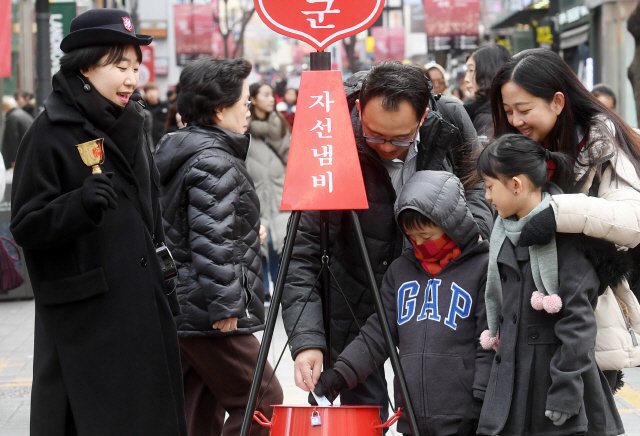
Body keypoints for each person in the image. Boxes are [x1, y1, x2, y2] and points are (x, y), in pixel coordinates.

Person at [281, 61, 493, 423]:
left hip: (436, 299)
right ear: (359, 109)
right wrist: (308, 340)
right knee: (363, 417)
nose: (386, 148)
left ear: (423, 117)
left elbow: (479, 190)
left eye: (400, 139)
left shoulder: (451, 120)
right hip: (354, 300)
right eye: (374, 135)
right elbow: (301, 253)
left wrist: (469, 238)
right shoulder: (330, 134)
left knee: (437, 413)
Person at [9, 8, 187, 435]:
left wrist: (167, 282)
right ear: (85, 66)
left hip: (143, 307)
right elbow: (25, 225)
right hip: (87, 325)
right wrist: (78, 205)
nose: (132, 78)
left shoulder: (132, 123)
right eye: (120, 66)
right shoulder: (49, 132)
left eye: (136, 67)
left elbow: (150, 215)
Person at [154, 57, 283, 436]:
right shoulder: (214, 160)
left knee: (197, 409)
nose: (248, 110)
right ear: (218, 107)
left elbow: (192, 226)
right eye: (244, 102)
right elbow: (210, 238)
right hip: (209, 308)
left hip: (185, 303)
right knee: (263, 401)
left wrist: (247, 232)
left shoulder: (182, 148)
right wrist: (227, 304)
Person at [310, 170, 493, 436]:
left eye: (427, 237)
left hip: (465, 420)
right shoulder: (400, 272)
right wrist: (339, 375)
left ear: (453, 225)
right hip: (411, 420)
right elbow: (377, 334)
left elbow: (488, 343)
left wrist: (481, 402)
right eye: (412, 238)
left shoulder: (482, 269)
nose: (419, 245)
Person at [476, 134, 625, 436]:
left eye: (490, 186)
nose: (487, 197)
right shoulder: (502, 234)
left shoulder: (565, 239)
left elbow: (578, 325)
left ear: (516, 185)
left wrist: (566, 391)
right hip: (513, 390)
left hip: (556, 391)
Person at [490, 48, 640, 340]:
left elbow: (632, 220)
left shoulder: (602, 142)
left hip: (587, 320)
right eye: (508, 111)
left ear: (557, 102)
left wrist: (556, 212)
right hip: (526, 319)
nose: (515, 120)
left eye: (524, 109)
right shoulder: (514, 149)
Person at [246, 82, 292, 303]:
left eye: (270, 95)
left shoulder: (279, 124)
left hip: (279, 188)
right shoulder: (243, 126)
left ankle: (278, 285)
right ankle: (263, 288)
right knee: (261, 241)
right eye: (264, 95)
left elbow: (290, 155)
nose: (271, 99)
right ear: (252, 99)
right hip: (257, 189)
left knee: (279, 242)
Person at [464, 44, 511, 139]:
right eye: (467, 71)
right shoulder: (490, 110)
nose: (466, 79)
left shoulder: (488, 119)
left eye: (471, 70)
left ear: (489, 72)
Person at [2, 96, 33, 169]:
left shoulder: (12, 117)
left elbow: (13, 140)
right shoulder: (23, 114)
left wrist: (14, 160)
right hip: (28, 153)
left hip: (21, 156)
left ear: (5, 108)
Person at [144, 82, 169, 147]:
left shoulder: (165, 106)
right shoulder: (142, 107)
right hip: (146, 142)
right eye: (149, 91)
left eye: (153, 91)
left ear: (158, 93)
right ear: (145, 94)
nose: (151, 94)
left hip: (162, 141)